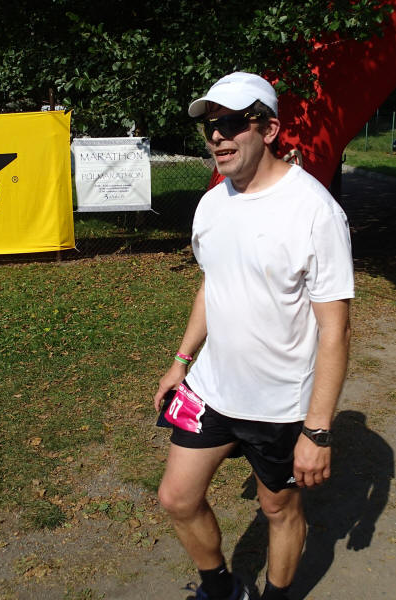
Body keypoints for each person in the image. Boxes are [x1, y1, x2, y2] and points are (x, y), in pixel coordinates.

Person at [154, 72, 355, 600]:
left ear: (268, 129)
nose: (217, 136)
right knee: (177, 497)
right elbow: (212, 283)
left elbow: (336, 329)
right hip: (212, 389)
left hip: (281, 405)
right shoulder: (212, 203)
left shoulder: (314, 211)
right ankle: (221, 589)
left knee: (277, 507)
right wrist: (181, 360)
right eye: (210, 127)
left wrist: (317, 432)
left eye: (231, 123)